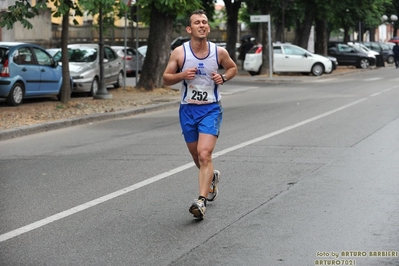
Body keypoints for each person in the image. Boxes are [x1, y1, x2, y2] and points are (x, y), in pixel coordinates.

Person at [163, 10, 237, 219]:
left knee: (205, 154)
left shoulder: (218, 52)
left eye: (205, 22)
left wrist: (223, 78)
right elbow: (166, 78)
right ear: (189, 29)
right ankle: (211, 177)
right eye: (197, 22)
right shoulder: (180, 53)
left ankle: (201, 201)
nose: (202, 25)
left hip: (211, 108)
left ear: (208, 27)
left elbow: (232, 68)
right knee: (196, 156)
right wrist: (182, 75)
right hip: (188, 109)